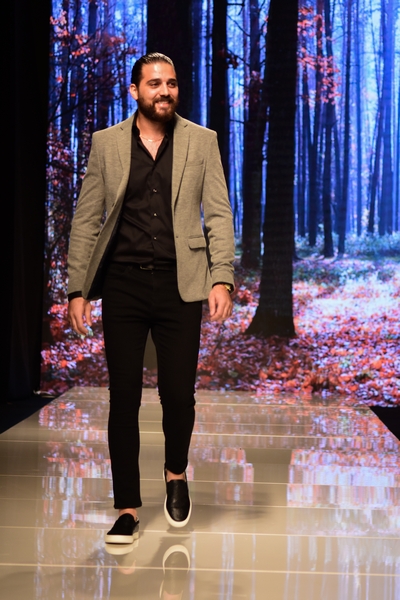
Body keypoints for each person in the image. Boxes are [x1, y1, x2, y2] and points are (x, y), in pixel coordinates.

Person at [67, 52, 235, 543]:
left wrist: (221, 278)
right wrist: (78, 288)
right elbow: (87, 218)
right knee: (123, 397)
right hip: (123, 283)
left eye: (172, 83)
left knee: (178, 394)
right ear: (135, 90)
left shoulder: (202, 141)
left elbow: (219, 214)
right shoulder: (106, 144)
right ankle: (127, 508)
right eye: (155, 83)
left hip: (181, 282)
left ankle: (175, 473)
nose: (165, 91)